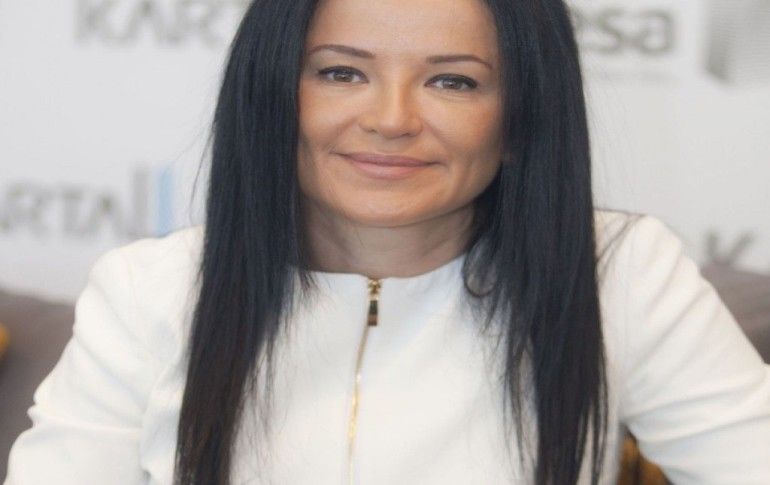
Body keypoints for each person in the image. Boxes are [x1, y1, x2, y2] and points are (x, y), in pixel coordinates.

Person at [5, 0, 770, 483]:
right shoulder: (151, 288)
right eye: (341, 73)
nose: (392, 119)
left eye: (452, 81)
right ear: (273, 97)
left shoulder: (619, 274)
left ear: (519, 120)